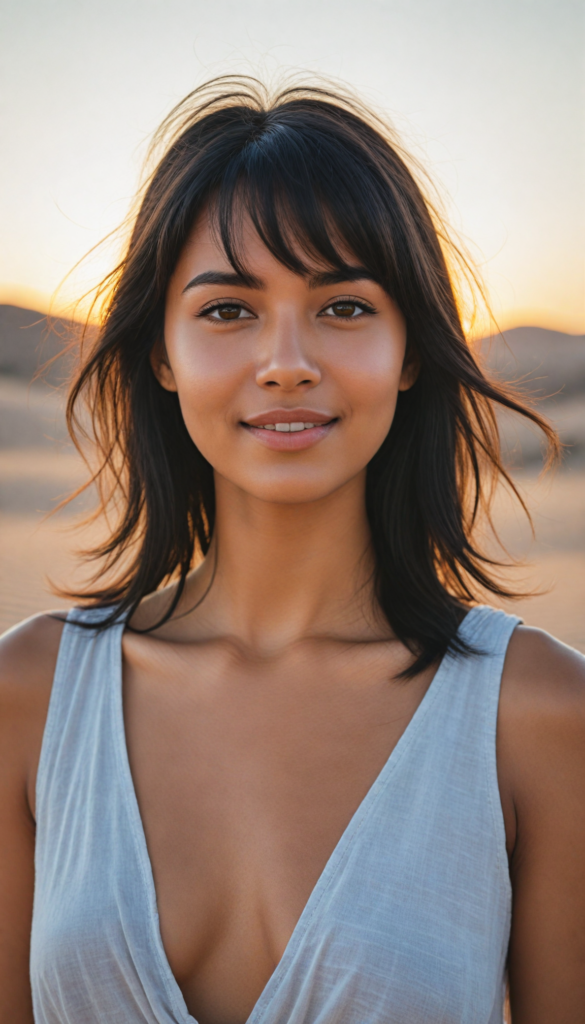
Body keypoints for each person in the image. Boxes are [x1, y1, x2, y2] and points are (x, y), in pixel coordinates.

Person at [0, 77, 584, 1024]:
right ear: (161, 351)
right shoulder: (27, 696)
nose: (286, 360)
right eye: (227, 309)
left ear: (409, 351)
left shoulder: (539, 714)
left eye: (344, 307)